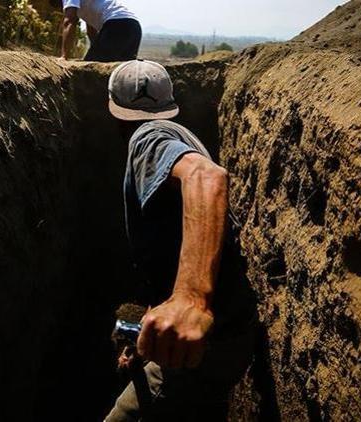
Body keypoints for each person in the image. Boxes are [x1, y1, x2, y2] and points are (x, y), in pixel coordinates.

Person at [105, 60, 257, 421]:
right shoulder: (181, 136)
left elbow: (207, 177)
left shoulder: (147, 140)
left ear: (115, 113)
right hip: (230, 334)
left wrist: (191, 298)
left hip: (205, 344)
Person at [49, 0, 141, 62]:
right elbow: (91, 31)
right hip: (134, 27)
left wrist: (64, 56)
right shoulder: (86, 5)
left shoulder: (71, 4)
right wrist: (96, 49)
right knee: (122, 72)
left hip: (116, 26)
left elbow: (69, 21)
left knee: (87, 74)